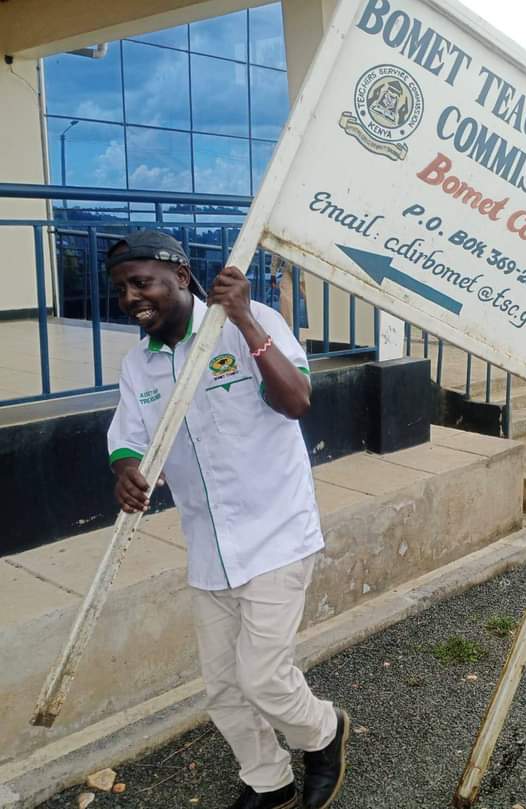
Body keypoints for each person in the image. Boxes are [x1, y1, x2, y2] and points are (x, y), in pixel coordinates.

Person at [105, 230, 349, 809]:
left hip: (277, 532)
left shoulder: (248, 322)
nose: (131, 298)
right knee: (222, 687)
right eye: (121, 289)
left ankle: (323, 732)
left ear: (180, 277)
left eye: (140, 283)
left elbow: (296, 401)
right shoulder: (139, 364)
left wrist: (244, 321)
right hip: (208, 545)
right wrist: (127, 470)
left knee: (263, 677)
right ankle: (268, 781)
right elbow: (128, 438)